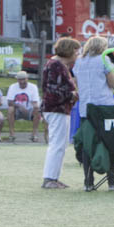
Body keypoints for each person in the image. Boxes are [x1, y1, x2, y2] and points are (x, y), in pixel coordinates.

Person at [74, 36, 114, 191]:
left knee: (88, 144)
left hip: (85, 108)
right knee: (109, 142)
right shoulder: (104, 60)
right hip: (104, 107)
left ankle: (88, 182)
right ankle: (112, 182)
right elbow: (113, 83)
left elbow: (76, 83)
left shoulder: (79, 62)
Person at [41, 38, 81, 188]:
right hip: (56, 109)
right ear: (69, 51)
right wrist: (72, 95)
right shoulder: (56, 65)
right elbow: (52, 91)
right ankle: (49, 178)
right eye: (76, 51)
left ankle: (53, 177)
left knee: (60, 145)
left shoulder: (57, 64)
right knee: (57, 145)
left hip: (59, 109)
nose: (77, 54)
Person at [5, 71, 42, 142]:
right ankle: (12, 134)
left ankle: (34, 134)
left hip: (29, 110)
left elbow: (35, 102)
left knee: (37, 110)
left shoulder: (33, 87)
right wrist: (19, 106)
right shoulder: (13, 87)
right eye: (20, 79)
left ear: (27, 78)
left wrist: (35, 106)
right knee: (10, 109)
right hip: (17, 111)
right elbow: (9, 102)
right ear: (17, 80)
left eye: (23, 79)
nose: (22, 81)